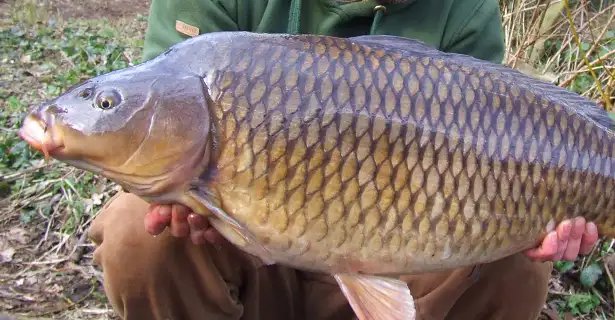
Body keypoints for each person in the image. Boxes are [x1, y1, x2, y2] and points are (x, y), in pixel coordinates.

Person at [88, 0, 601, 319]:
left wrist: (558, 213)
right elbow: (158, 108)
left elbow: (493, 146)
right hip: (248, 263)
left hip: (405, 251)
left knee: (516, 265)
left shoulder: (464, 11)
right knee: (140, 231)